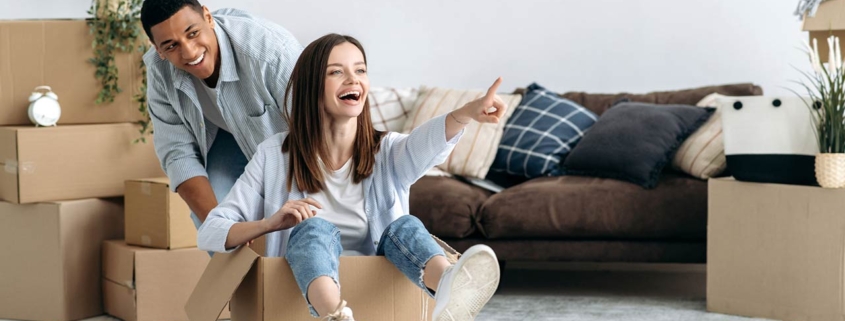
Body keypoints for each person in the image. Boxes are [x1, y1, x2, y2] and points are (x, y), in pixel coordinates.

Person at [197, 33, 504, 321]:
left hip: (381, 286)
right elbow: (210, 231)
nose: (353, 79)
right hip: (304, 295)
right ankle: (335, 315)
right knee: (313, 229)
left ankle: (449, 284)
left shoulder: (387, 151)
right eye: (336, 72)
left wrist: (466, 113)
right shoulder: (274, 155)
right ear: (311, 85)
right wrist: (269, 224)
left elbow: (427, 143)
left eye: (360, 70)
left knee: (405, 227)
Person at [140, 0, 303, 230]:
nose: (189, 51)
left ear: (208, 17)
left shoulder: (270, 51)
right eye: (171, 46)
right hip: (225, 137)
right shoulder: (159, 70)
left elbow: (319, 129)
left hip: (293, 146)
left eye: (193, 33)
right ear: (158, 48)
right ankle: (239, 266)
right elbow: (178, 154)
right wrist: (223, 230)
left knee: (297, 223)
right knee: (212, 218)